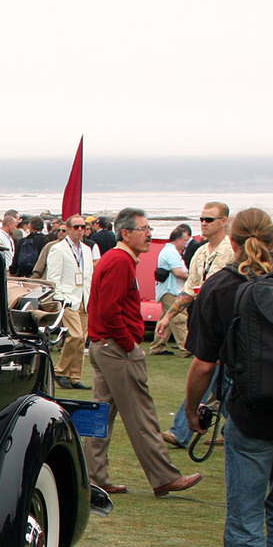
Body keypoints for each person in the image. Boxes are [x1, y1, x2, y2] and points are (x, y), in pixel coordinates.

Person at [183, 208, 273, 547]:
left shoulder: (223, 285)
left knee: (245, 524)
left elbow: (203, 363)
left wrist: (192, 412)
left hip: (250, 415)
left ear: (231, 239)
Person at [82, 206, 201, 498]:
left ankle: (93, 477)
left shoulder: (117, 259)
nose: (150, 235)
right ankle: (164, 477)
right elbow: (110, 312)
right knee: (141, 414)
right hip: (114, 348)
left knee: (102, 414)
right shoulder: (120, 261)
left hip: (105, 345)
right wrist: (129, 344)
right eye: (144, 229)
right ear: (126, 233)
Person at [157, 202, 233, 357]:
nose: (204, 223)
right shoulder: (200, 252)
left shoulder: (233, 249)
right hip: (204, 316)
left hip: (226, 318)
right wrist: (167, 317)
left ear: (223, 221)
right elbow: (189, 289)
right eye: (202, 219)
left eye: (209, 219)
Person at [44, 215, 94, 389]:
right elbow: (53, 277)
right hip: (68, 298)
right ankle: (60, 370)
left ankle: (74, 375)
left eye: (83, 227)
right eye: (77, 227)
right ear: (69, 229)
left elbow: (89, 276)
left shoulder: (87, 250)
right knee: (76, 335)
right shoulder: (59, 249)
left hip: (84, 298)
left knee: (82, 339)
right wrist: (60, 297)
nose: (80, 230)